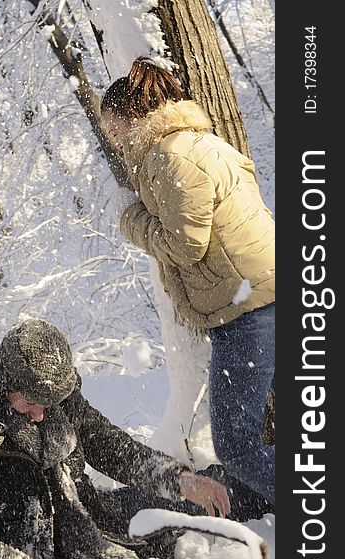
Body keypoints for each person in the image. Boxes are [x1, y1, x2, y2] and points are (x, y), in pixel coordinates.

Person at [0, 319, 266, 559]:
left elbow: (111, 447)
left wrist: (179, 480)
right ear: (6, 387)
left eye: (47, 405)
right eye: (29, 404)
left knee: (217, 488)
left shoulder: (57, 398)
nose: (40, 416)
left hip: (89, 517)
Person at [100, 58, 275, 506]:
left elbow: (185, 245)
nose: (113, 141)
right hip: (260, 297)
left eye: (113, 128)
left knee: (236, 447)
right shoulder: (195, 144)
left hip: (247, 308)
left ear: (133, 117)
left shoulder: (172, 154)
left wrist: (129, 218)